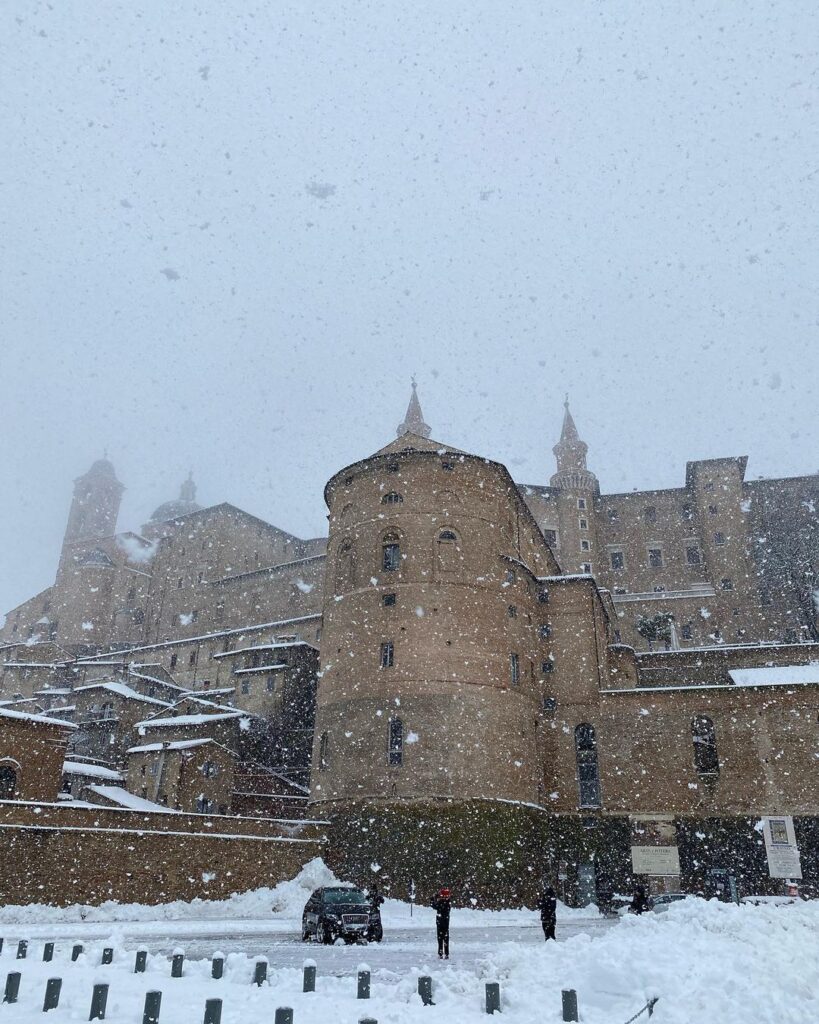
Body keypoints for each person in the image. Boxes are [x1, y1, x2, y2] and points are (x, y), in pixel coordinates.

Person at [431, 887, 451, 959]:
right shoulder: (448, 903)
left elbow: (434, 906)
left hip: (440, 922)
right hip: (445, 922)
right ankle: (446, 953)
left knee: (440, 939)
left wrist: (433, 899)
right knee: (445, 938)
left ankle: (441, 953)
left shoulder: (442, 903)